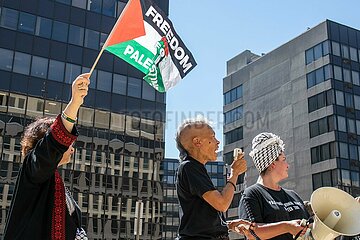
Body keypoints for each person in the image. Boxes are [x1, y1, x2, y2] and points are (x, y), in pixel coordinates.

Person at [4, 73, 90, 240]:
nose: (71, 146)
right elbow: (52, 144)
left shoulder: (52, 179)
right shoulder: (33, 169)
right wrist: (75, 103)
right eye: (67, 142)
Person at [175, 116, 251, 239]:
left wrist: (228, 225)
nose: (218, 142)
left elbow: (200, 221)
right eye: (212, 137)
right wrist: (234, 173)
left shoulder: (194, 169)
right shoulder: (189, 167)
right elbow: (222, 204)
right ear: (197, 142)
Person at [238, 132, 310, 240]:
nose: (287, 165)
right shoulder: (252, 194)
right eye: (284, 159)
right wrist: (287, 227)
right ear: (272, 164)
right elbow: (250, 232)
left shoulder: (293, 195)